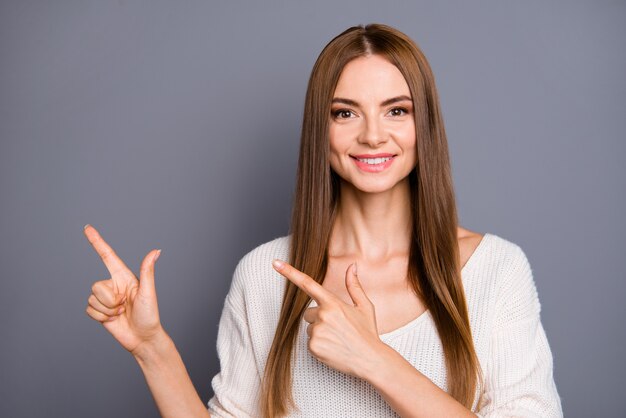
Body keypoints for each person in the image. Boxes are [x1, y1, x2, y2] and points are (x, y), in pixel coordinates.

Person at [84, 23, 563, 417]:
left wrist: (374, 359)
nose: (373, 135)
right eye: (345, 113)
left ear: (425, 126)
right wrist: (152, 349)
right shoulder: (265, 275)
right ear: (321, 129)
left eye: (396, 110)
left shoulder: (496, 270)